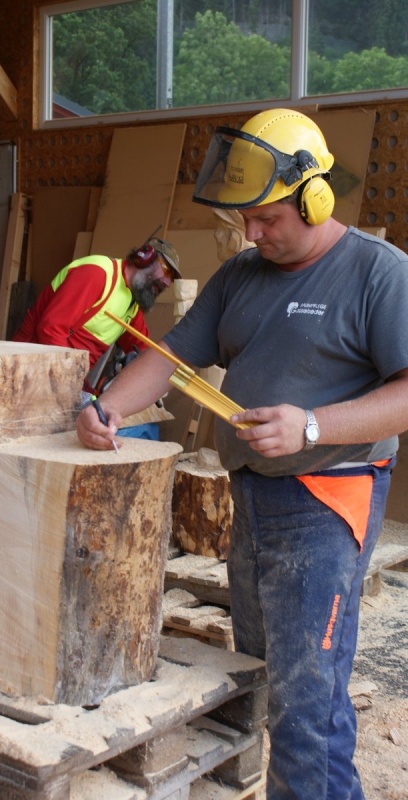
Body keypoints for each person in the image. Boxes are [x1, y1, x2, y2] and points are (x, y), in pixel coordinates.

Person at [76, 108, 408, 799]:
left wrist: (311, 427)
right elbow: (172, 358)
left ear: (315, 198)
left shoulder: (379, 273)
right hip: (253, 494)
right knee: (261, 669)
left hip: (328, 499)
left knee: (306, 701)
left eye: (266, 218)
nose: (251, 233)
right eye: (246, 220)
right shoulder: (241, 275)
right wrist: (110, 406)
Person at [12, 236, 181, 394]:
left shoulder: (132, 305)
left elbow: (142, 349)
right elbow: (50, 329)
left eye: (171, 279)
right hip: (30, 364)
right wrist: (70, 383)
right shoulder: (97, 274)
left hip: (67, 375)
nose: (167, 283)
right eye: (166, 271)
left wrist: (157, 375)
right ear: (145, 257)